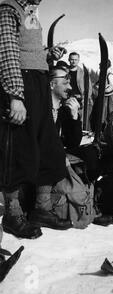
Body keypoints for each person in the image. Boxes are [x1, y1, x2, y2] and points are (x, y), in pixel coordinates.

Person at [0, 0, 69, 238]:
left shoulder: (29, 12)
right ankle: (12, 213)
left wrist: (48, 55)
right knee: (19, 151)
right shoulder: (8, 10)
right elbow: (8, 54)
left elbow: (28, 52)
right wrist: (15, 96)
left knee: (49, 147)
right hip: (21, 83)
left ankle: (42, 208)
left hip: (38, 82)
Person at [68, 52, 93, 129]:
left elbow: (89, 87)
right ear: (69, 60)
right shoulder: (66, 71)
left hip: (80, 100)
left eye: (75, 59)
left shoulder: (83, 72)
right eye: (72, 59)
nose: (74, 61)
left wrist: (85, 98)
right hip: (68, 98)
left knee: (80, 121)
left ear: (78, 60)